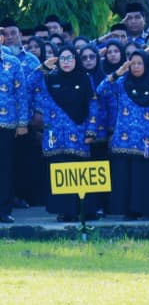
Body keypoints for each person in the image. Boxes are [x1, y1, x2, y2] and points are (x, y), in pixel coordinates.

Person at [33, 46, 103, 222]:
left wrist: (91, 131)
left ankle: (85, 211)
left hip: (79, 134)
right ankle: (65, 211)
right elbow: (27, 86)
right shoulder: (50, 78)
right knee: (60, 173)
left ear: (76, 59)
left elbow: (94, 105)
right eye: (62, 59)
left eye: (69, 58)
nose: (66, 62)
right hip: (55, 137)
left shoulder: (85, 78)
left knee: (80, 173)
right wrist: (43, 68)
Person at [97, 52, 149, 219]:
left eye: (139, 63)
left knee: (144, 176)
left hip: (146, 140)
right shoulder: (122, 83)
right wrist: (117, 73)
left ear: (146, 65)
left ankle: (147, 210)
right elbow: (101, 90)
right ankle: (129, 211)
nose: (136, 67)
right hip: (124, 139)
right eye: (133, 63)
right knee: (126, 176)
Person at [0, 45, 30, 223]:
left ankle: (3, 210)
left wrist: (22, 122)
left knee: (4, 168)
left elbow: (21, 94)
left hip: (7, 123)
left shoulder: (13, 63)